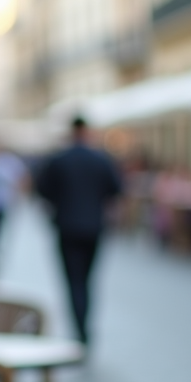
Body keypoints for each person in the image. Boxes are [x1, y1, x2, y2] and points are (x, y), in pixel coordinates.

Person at [35, 117, 122, 345]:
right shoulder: (100, 159)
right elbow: (116, 189)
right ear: (87, 131)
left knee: (73, 280)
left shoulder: (59, 159)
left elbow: (42, 189)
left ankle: (79, 327)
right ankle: (85, 326)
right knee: (87, 279)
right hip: (94, 227)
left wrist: (60, 202)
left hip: (67, 226)